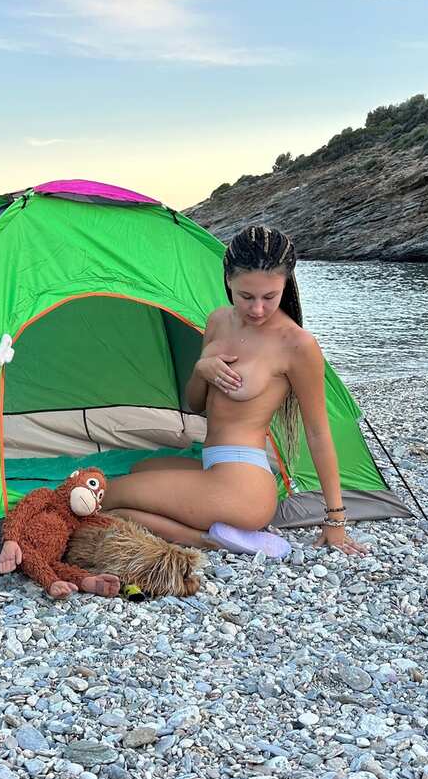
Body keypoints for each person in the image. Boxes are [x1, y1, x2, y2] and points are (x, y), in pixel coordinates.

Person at [101, 225, 367, 558]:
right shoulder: (218, 322)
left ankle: (207, 540)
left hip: (244, 488)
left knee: (103, 497)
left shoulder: (297, 344)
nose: (257, 309)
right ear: (228, 280)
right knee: (137, 471)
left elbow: (318, 433)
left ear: (286, 284)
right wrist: (202, 370)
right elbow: (196, 405)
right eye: (246, 296)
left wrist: (335, 520)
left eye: (270, 297)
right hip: (214, 464)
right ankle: (216, 531)